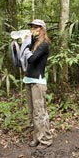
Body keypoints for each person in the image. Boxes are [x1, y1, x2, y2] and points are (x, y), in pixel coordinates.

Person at [22, 19, 53, 149]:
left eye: (36, 27)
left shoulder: (44, 44)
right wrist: (25, 43)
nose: (33, 29)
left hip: (38, 82)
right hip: (28, 80)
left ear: (42, 29)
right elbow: (21, 58)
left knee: (39, 112)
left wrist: (25, 46)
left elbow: (32, 59)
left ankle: (45, 140)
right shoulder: (32, 42)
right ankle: (36, 137)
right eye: (32, 27)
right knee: (32, 112)